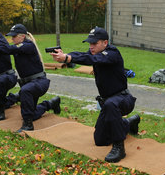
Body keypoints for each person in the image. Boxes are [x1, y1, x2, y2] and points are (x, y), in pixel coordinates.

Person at [50, 27, 140, 163]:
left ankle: (119, 148)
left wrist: (68, 58)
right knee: (100, 140)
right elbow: (84, 55)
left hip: (123, 100)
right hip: (109, 103)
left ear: (105, 42)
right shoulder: (95, 53)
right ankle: (129, 123)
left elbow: (91, 59)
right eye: (90, 43)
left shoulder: (112, 53)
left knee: (110, 105)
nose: (91, 46)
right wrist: (66, 55)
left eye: (94, 43)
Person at [5, 24, 61, 132]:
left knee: (25, 91)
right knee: (32, 114)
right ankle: (50, 103)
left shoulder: (28, 45)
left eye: (14, 36)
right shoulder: (19, 47)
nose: (12, 38)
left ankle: (28, 125)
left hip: (39, 82)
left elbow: (9, 49)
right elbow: (7, 50)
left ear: (22, 36)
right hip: (30, 84)